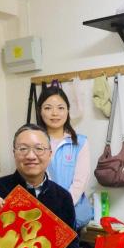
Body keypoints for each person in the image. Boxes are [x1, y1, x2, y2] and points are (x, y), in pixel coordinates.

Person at [36, 86, 93, 230]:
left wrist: (63, 207)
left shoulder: (80, 142)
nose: (55, 113)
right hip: (41, 214)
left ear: (68, 111)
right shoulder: (33, 142)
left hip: (72, 214)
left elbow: (80, 182)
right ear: (40, 111)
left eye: (60, 108)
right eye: (48, 108)